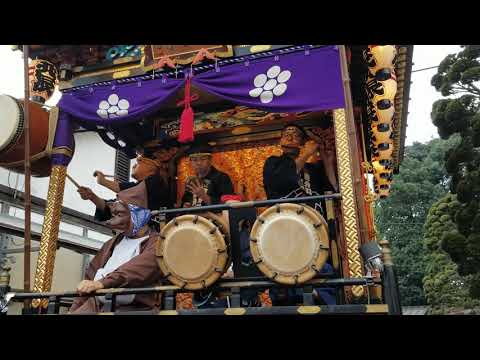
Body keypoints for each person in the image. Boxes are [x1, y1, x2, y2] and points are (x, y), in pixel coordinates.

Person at [262, 124, 338, 306]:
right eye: (286, 134)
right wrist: (306, 154)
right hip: (285, 227)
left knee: (323, 266)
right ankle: (292, 298)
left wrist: (327, 159)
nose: (289, 137)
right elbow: (281, 182)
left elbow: (332, 188)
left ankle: (322, 297)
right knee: (287, 267)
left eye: (295, 135)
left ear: (302, 142)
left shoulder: (312, 169)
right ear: (280, 140)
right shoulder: (272, 163)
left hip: (315, 226)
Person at [69, 200, 162, 314]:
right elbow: (89, 278)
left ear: (139, 215)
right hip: (96, 305)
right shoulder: (111, 244)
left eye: (119, 214)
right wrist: (73, 310)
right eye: (114, 215)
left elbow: (136, 270)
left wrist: (102, 283)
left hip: (134, 309)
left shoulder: (158, 243)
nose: (112, 220)